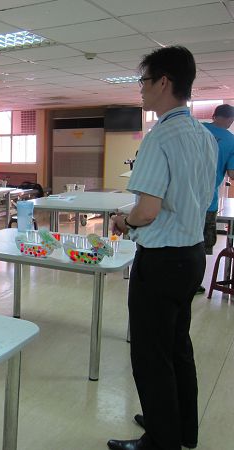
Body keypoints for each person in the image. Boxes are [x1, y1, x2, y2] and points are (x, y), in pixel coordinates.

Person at [108, 46, 217, 450]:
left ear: (164, 82)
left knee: (151, 353)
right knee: (177, 345)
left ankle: (160, 439)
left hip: (161, 259)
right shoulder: (204, 136)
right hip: (192, 254)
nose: (140, 89)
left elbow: (147, 211)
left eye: (144, 81)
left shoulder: (160, 138)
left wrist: (124, 221)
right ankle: (181, 427)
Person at [197, 104, 234, 293]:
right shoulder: (231, 140)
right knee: (201, 246)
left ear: (213, 116)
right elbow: (232, 174)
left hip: (180, 199)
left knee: (178, 241)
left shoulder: (197, 129)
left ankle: (174, 280)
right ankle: (194, 284)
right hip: (207, 202)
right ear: (230, 120)